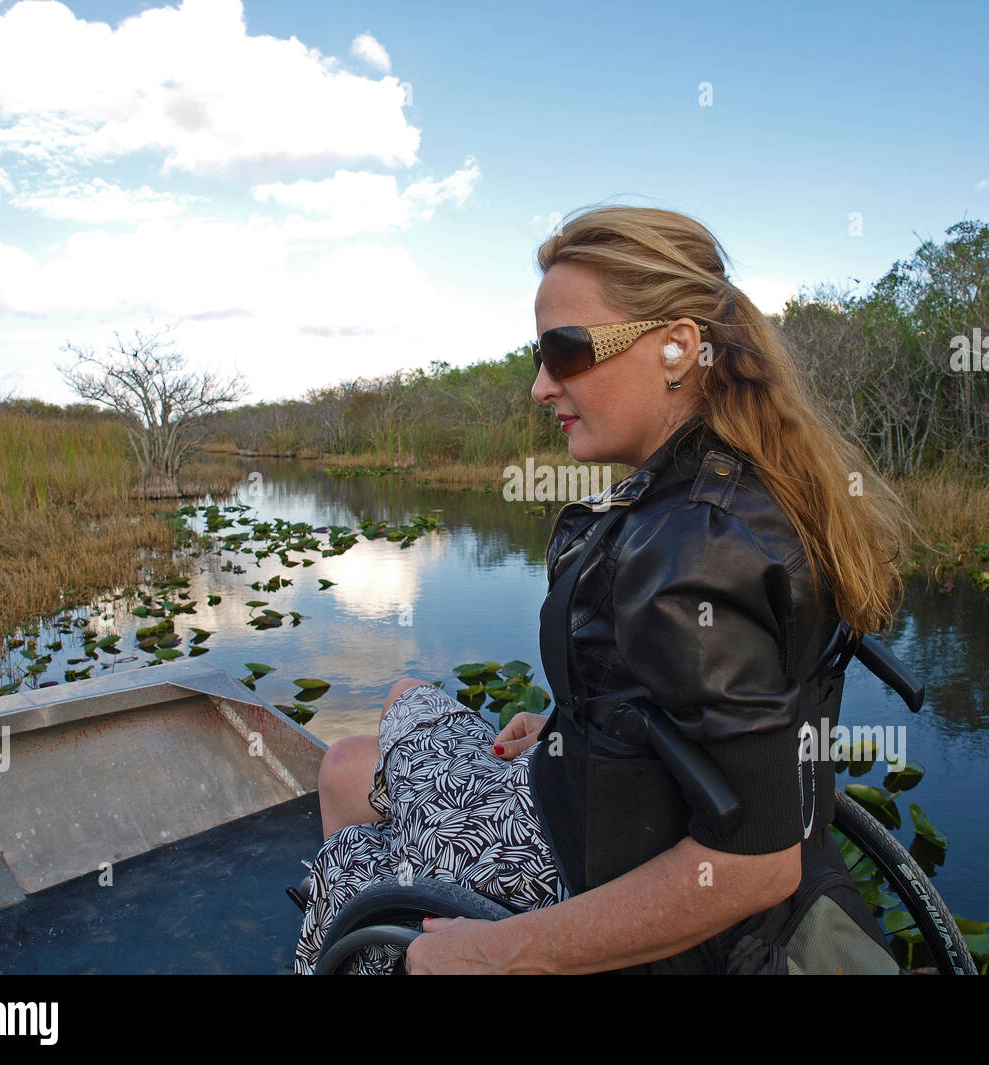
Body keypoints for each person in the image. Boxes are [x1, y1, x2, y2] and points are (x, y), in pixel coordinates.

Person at [293, 204, 915, 974]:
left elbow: (757, 863)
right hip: (585, 799)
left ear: (678, 347)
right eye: (538, 353)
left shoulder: (697, 547)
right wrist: (578, 722)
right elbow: (695, 706)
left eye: (565, 352)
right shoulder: (730, 486)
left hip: (584, 866)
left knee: (352, 836)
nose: (539, 386)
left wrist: (495, 950)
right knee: (383, 721)